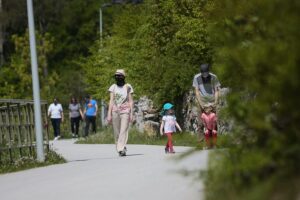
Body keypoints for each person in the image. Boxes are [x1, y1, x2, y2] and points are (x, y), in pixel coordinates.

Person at [107, 69, 134, 157]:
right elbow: (111, 101)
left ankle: (121, 149)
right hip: (115, 111)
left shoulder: (128, 86)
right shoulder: (113, 87)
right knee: (117, 131)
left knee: (123, 130)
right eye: (116, 76)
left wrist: (131, 114)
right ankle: (120, 147)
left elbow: (131, 101)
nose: (118, 77)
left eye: (119, 75)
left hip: (125, 111)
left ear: (123, 77)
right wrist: (109, 114)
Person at [192, 63, 221, 143]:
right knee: (201, 123)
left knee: (213, 123)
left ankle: (213, 142)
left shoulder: (214, 77)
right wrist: (201, 104)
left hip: (212, 102)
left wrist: (215, 102)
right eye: (203, 73)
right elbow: (197, 92)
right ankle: (200, 142)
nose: (204, 75)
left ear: (208, 71)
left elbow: (216, 90)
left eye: (206, 73)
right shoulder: (196, 77)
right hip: (202, 102)